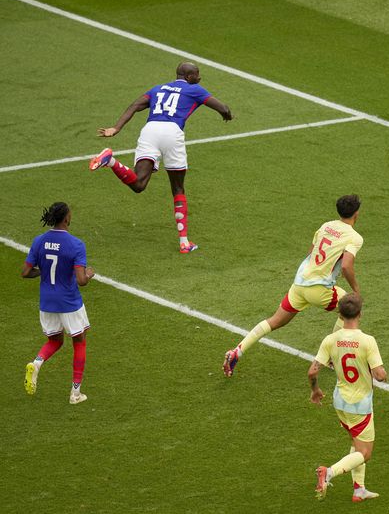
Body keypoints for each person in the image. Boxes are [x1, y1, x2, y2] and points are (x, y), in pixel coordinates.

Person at [89, 61, 233, 253]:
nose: (199, 78)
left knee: (139, 184)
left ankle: (111, 161)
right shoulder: (195, 89)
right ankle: (184, 243)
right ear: (189, 77)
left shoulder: (157, 89)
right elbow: (222, 108)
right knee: (178, 188)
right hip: (172, 132)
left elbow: (135, 105)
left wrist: (115, 128)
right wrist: (227, 115)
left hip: (149, 130)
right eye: (197, 74)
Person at [222, 194, 363, 377]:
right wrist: (356, 291)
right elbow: (346, 266)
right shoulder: (354, 237)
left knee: (275, 321)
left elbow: (311, 252)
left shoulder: (326, 226)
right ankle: (330, 356)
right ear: (356, 213)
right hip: (319, 288)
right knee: (351, 307)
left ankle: (237, 352)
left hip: (300, 283)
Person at [309, 293, 387, 502]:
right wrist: (381, 374)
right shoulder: (367, 341)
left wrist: (315, 390)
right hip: (360, 404)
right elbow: (380, 375)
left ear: (340, 315)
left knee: (355, 441)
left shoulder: (330, 340)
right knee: (365, 453)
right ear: (360, 314)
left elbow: (312, 371)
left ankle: (359, 489)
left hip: (340, 401)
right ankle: (329, 472)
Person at [22, 202, 95, 404]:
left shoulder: (39, 241)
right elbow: (81, 280)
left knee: (55, 341)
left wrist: (43, 271)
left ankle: (36, 363)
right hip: (69, 302)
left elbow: (25, 272)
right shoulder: (76, 244)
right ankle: (75, 393)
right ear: (66, 219)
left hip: (47, 301)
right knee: (79, 341)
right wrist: (89, 274)